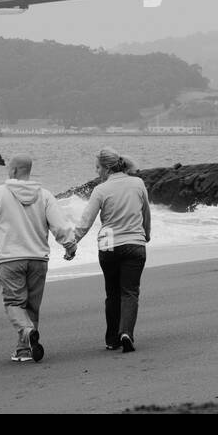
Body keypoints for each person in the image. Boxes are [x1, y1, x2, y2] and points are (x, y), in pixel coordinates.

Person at [0, 154, 77, 363]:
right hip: (38, 258)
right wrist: (69, 245)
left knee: (14, 303)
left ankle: (26, 332)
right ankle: (24, 350)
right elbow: (59, 224)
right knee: (32, 306)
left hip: (10, 259)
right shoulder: (45, 195)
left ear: (14, 170)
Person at [71, 147, 151, 353]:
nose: (96, 172)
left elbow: (85, 221)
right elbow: (145, 213)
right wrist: (146, 235)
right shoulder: (138, 183)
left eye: (97, 168)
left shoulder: (101, 190)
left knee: (112, 293)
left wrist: (72, 243)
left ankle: (112, 339)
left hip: (109, 247)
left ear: (106, 168)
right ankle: (126, 333)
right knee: (130, 292)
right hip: (135, 244)